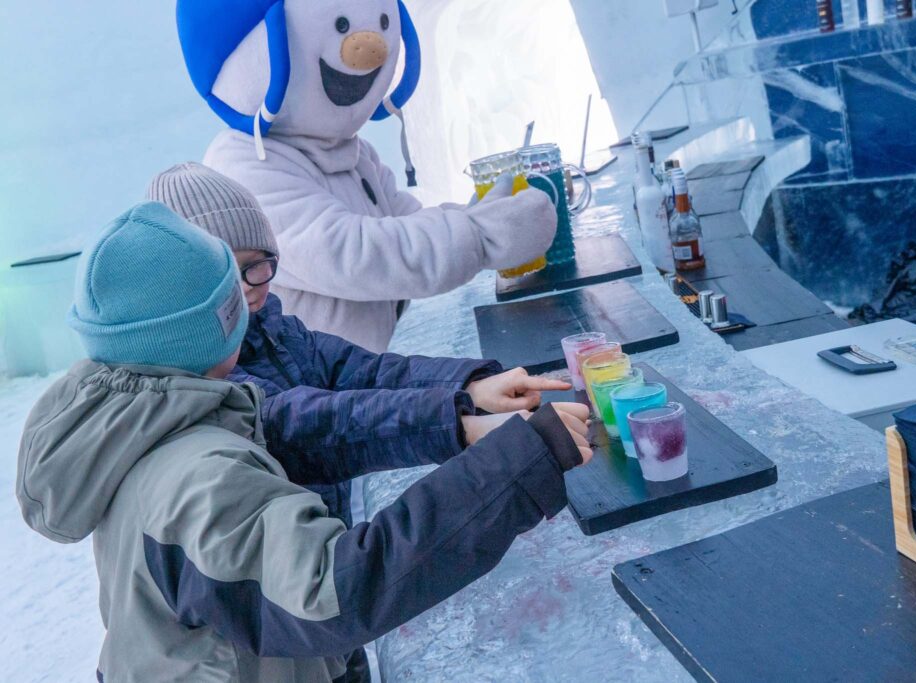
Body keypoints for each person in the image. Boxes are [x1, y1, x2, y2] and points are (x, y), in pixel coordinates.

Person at [17, 201, 592, 683]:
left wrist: (462, 394)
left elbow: (352, 379)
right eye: (231, 295)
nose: (249, 298)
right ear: (208, 327)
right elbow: (339, 586)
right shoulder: (199, 472)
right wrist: (520, 460)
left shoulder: (144, 418)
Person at [146, 162, 570, 528]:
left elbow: (368, 372)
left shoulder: (274, 329)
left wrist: (473, 385)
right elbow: (306, 424)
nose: (248, 286)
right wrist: (457, 423)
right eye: (225, 272)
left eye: (256, 263)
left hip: (322, 535)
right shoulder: (197, 375)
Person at [177, 0, 558, 352]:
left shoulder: (346, 149)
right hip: (318, 398)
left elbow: (403, 218)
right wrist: (481, 237)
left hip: (370, 373)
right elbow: (352, 254)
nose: (372, 47)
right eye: (342, 25)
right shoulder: (242, 165)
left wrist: (478, 215)